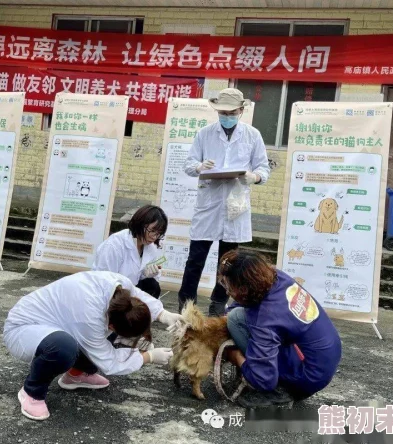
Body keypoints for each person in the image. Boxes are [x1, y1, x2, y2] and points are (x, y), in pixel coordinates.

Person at [3, 271, 183, 421]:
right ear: (111, 326)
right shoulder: (89, 317)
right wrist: (148, 357)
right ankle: (32, 392)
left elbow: (138, 296)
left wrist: (163, 314)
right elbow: (109, 362)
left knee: (95, 341)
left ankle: (76, 375)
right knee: (64, 348)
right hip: (25, 328)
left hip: (63, 322)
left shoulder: (120, 289)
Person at [178, 88, 270, 316]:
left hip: (234, 206)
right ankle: (185, 306)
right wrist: (199, 167)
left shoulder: (252, 135)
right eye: (222, 112)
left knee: (228, 263)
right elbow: (189, 164)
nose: (226, 116)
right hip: (209, 204)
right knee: (195, 259)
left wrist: (253, 177)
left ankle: (218, 305)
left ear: (240, 110)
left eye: (230, 112)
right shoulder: (205, 134)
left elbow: (263, 169)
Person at [218, 250, 342, 408]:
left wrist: (235, 356)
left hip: (308, 375)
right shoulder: (274, 277)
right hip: (324, 357)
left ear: (243, 289)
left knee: (235, 320)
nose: (227, 291)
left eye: (228, 286)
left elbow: (263, 380)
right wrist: (225, 315)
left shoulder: (265, 318)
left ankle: (281, 390)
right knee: (234, 315)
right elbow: (243, 303)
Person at [92, 205, 167, 299]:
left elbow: (138, 278)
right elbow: (104, 282)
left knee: (152, 284)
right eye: (152, 231)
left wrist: (146, 274)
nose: (154, 237)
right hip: (112, 294)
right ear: (140, 224)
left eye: (158, 234)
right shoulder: (114, 245)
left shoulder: (150, 247)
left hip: (131, 292)